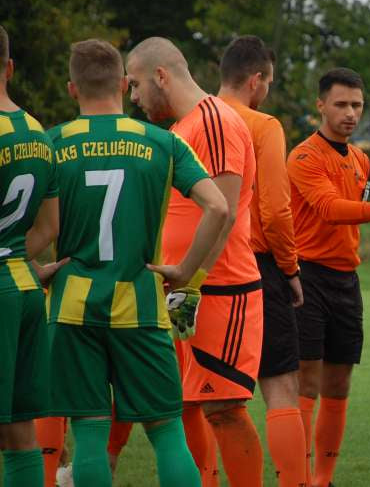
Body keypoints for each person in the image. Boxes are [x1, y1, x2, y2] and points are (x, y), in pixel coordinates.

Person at [47, 38, 231, 486]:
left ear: (72, 89)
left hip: (72, 308)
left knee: (89, 434)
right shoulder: (162, 143)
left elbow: (35, 226)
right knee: (167, 432)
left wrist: (36, 265)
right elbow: (220, 208)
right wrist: (187, 271)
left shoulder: (52, 144)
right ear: (124, 83)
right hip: (142, 308)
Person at [127, 36, 264, 487]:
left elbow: (223, 211)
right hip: (189, 292)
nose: (133, 97)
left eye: (136, 85)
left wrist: (193, 281)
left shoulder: (214, 121)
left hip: (220, 291)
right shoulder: (183, 128)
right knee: (183, 404)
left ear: (161, 76)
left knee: (223, 408)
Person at [287, 67, 370, 487]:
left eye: (357, 105)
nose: (350, 113)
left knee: (340, 382)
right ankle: (299, 476)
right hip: (306, 276)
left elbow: (351, 213)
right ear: (320, 106)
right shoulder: (304, 156)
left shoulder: (361, 158)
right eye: (342, 104)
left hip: (347, 280)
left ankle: (323, 478)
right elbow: (329, 208)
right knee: (306, 380)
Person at [218, 35, 306, 486]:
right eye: (268, 82)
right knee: (281, 388)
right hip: (253, 265)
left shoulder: (189, 120)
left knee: (208, 397)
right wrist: (290, 270)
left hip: (197, 268)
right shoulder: (263, 125)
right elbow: (275, 209)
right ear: (256, 81)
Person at [0, 24, 64, 487]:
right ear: (9, 68)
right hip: (24, 286)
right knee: (20, 431)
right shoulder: (38, 134)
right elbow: (49, 227)